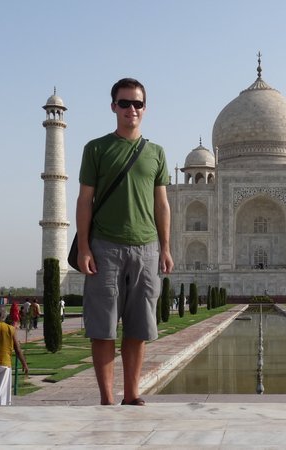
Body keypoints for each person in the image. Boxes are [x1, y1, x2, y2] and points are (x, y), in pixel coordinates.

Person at [75, 77, 174, 406]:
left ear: (145, 108)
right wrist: (85, 247)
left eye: (137, 103)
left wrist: (166, 247)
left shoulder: (156, 153)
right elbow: (84, 200)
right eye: (125, 103)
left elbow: (162, 204)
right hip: (105, 246)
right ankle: (106, 398)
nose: (132, 109)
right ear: (113, 106)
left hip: (146, 249)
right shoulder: (96, 148)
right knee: (103, 326)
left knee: (139, 326)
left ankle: (132, 394)